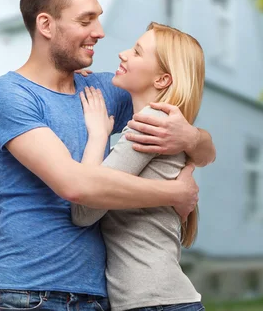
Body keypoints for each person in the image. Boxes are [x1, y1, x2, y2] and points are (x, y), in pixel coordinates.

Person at [0, 0, 215, 311]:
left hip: (101, 297)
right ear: (46, 25)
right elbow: (76, 186)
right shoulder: (8, 96)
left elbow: (190, 130)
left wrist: (191, 136)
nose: (100, 33)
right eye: (86, 21)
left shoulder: (102, 91)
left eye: (98, 20)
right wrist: (174, 193)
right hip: (28, 293)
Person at [72, 22, 206, 311]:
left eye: (136, 52)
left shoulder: (149, 126)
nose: (122, 54)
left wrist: (98, 135)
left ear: (162, 80)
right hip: (162, 300)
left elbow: (84, 210)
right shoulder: (166, 125)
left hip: (154, 302)